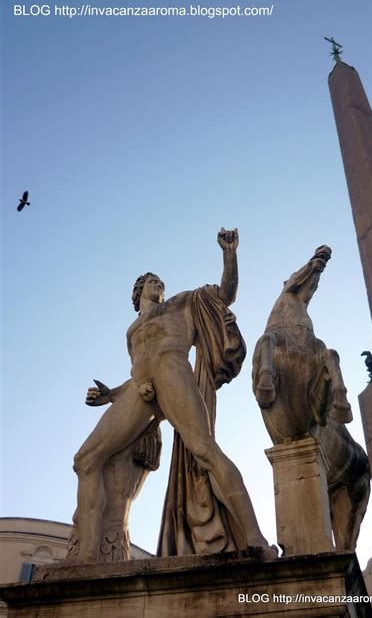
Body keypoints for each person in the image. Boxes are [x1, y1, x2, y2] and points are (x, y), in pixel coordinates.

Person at [70, 228, 269, 563]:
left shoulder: (182, 304)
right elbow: (137, 369)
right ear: (139, 291)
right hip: (139, 390)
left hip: (172, 370)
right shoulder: (131, 331)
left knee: (204, 450)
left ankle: (254, 536)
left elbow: (225, 294)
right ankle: (87, 557)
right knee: (86, 460)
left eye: (162, 283)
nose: (160, 286)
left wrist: (229, 254)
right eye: (153, 282)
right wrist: (110, 395)